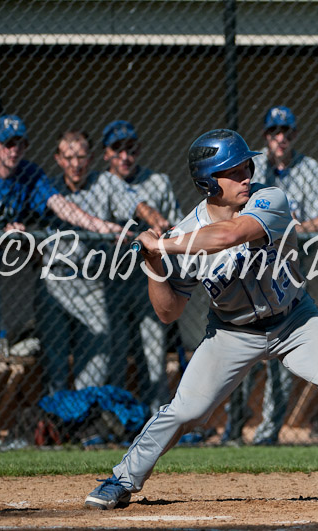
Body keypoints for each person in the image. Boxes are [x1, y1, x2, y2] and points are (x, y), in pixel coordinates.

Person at [83, 129, 318, 513]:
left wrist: (164, 244)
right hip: (231, 332)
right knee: (185, 410)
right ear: (207, 181)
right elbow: (168, 312)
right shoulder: (187, 233)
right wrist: (153, 264)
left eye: (246, 166)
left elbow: (229, 235)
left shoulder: (269, 199)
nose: (246, 175)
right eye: (233, 171)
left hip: (296, 321)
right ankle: (122, 478)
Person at [0, 115, 123, 439]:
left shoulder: (30, 174)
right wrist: (3, 230)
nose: (14, 150)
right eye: (8, 143)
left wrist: (105, 228)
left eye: (20, 143)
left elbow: (62, 206)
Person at [222, 105, 318, 445]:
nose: (281, 138)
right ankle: (234, 424)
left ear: (295, 135)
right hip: (250, 275)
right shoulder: (251, 171)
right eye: (274, 132)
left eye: (287, 132)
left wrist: (281, 226)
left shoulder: (309, 169)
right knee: (246, 355)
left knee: (284, 360)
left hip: (290, 274)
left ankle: (268, 433)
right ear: (266, 136)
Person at [38, 130, 170, 396]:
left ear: (92, 157)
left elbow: (135, 203)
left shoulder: (105, 182)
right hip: (54, 279)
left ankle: (87, 428)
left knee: (97, 358)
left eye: (82, 157)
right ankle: (57, 424)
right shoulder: (47, 187)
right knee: (56, 360)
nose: (76, 164)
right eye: (69, 157)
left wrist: (155, 220)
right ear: (59, 159)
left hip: (92, 282)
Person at [99, 120, 183, 413]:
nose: (125, 156)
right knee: (115, 353)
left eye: (130, 149)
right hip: (110, 281)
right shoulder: (101, 184)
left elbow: (175, 224)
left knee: (153, 352)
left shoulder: (158, 181)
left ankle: (156, 417)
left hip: (150, 279)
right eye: (117, 149)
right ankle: (113, 418)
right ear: (106, 153)